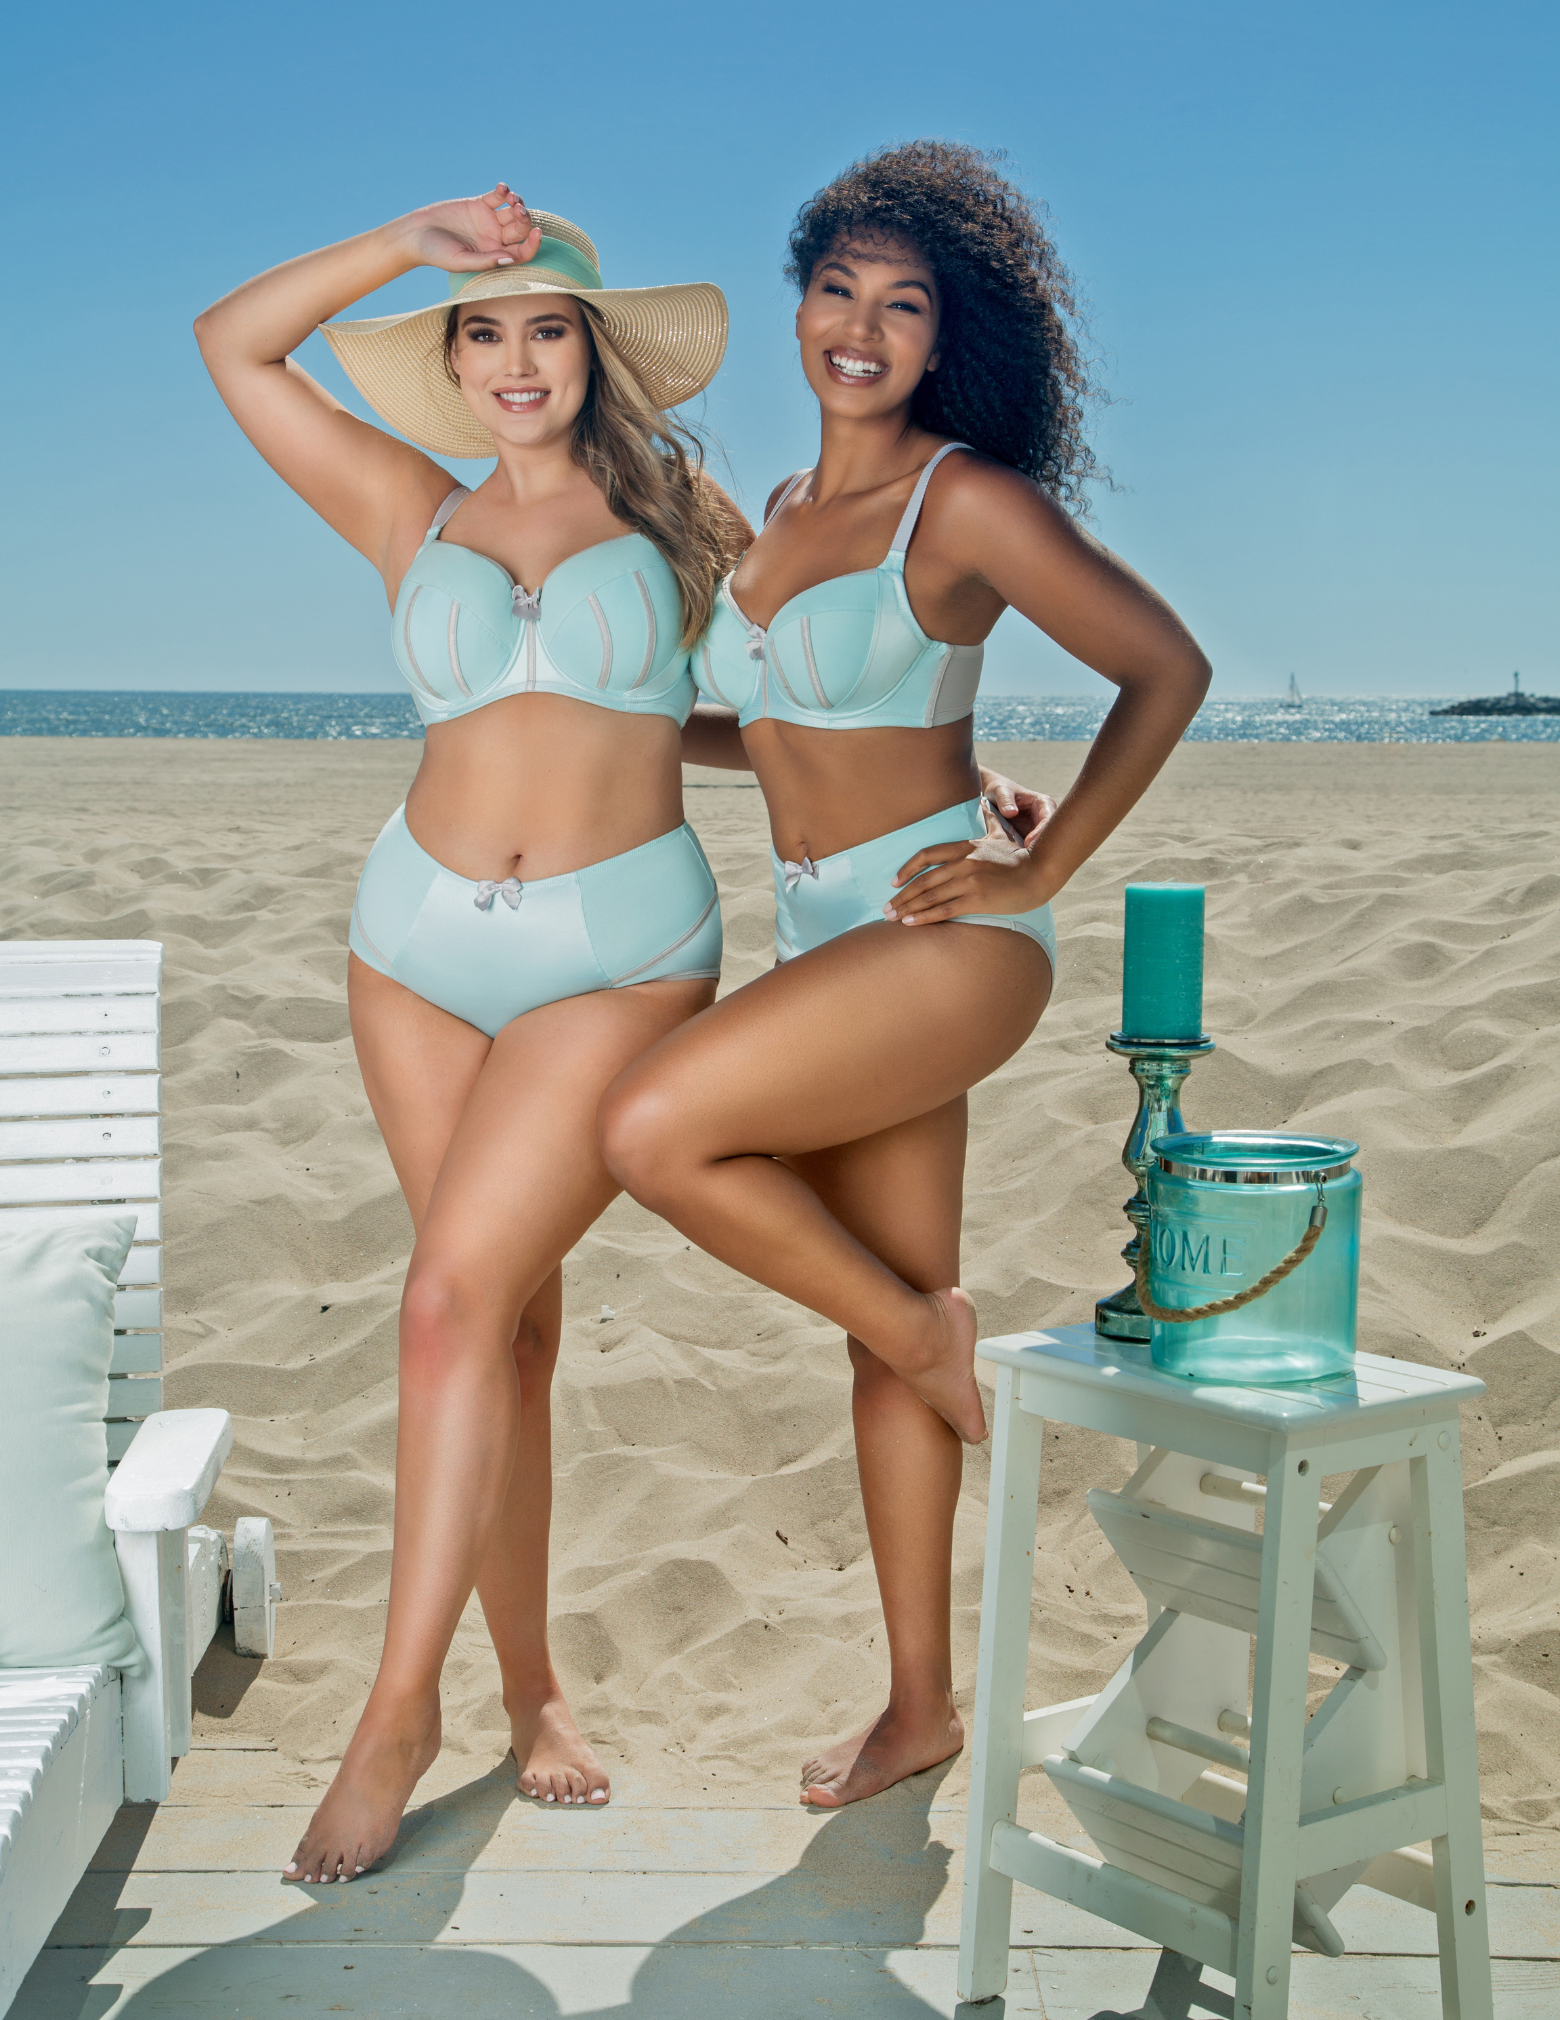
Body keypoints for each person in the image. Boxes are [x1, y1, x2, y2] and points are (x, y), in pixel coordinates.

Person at [600, 142, 1212, 1807]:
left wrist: (1044, 860)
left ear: (951, 337)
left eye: (904, 303)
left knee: (652, 1132)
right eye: (836, 291)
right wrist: (630, 728)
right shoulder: (784, 513)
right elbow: (783, 724)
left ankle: (935, 1342)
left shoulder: (969, 501)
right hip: (827, 935)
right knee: (871, 1333)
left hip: (944, 936)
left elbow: (1167, 665)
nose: (861, 329)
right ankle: (922, 1705)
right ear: (798, 305)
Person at [195, 185, 749, 1880]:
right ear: (455, 360)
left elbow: (747, 717)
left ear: (596, 350)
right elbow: (234, 343)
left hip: (615, 953)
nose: (518, 360)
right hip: (415, 949)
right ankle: (533, 1693)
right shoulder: (403, 506)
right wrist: (409, 242)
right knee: (501, 1332)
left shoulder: (688, 518)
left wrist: (949, 785)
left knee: (446, 1299)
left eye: (549, 327)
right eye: (487, 333)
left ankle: (397, 1714)